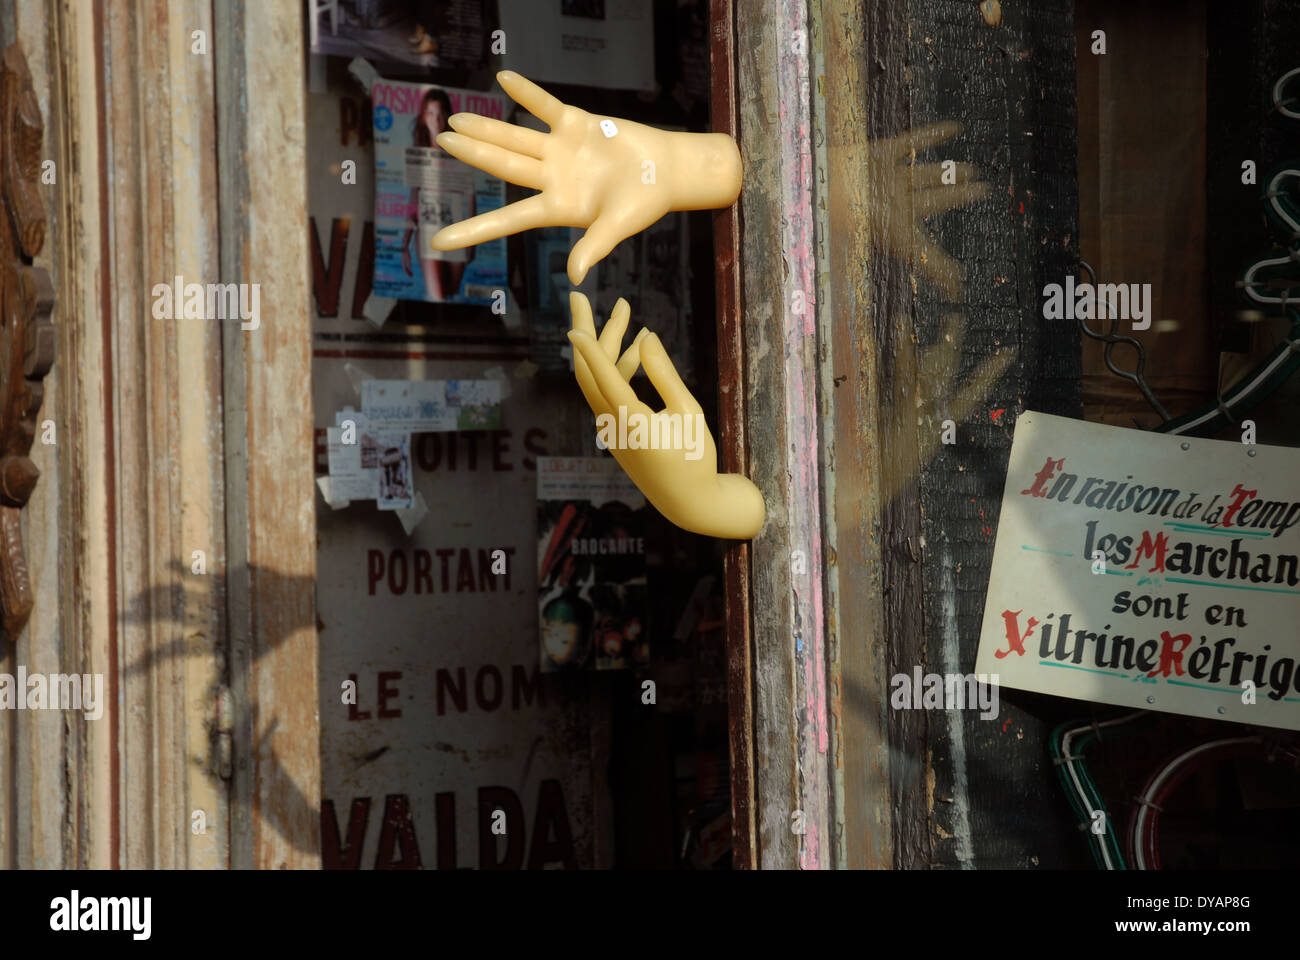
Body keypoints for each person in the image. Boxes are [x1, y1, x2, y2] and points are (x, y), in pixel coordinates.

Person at [400, 88, 474, 300]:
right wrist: (404, 244)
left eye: (440, 113)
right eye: (430, 113)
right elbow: (413, 200)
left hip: (457, 230)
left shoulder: (461, 153)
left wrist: (473, 242)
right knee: (438, 297)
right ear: (423, 117)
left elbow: (470, 197)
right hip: (427, 231)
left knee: (450, 296)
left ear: (448, 116)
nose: (436, 119)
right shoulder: (419, 156)